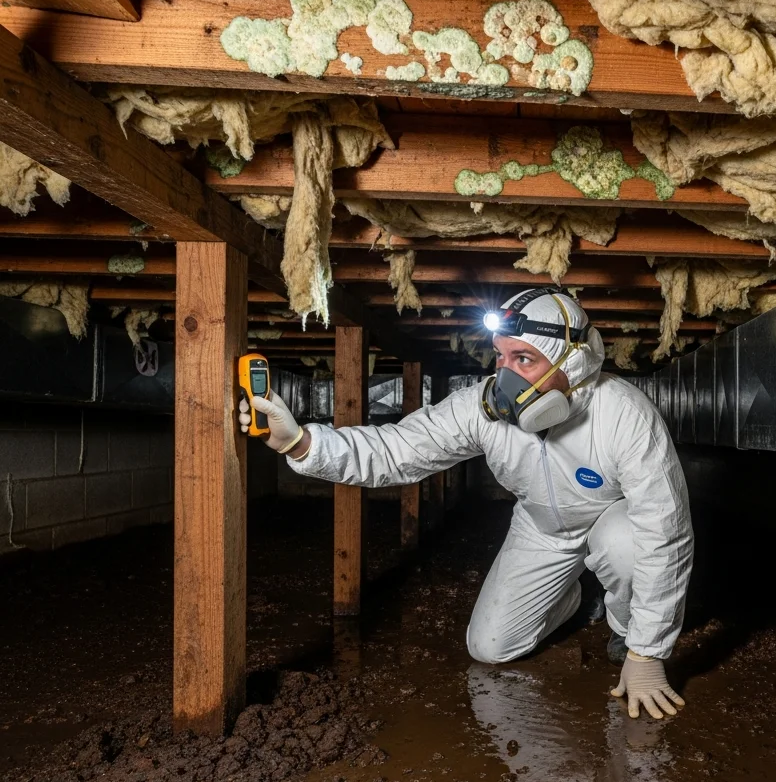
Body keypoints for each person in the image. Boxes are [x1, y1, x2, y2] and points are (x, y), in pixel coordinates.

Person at [238, 288, 694, 720]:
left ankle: (623, 626)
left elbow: (665, 532)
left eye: (524, 359)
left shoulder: (625, 416)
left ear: (571, 363)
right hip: (543, 529)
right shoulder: (482, 410)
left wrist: (647, 653)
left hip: (612, 521)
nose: (505, 374)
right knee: (490, 647)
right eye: (501, 355)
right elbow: (398, 450)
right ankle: (574, 596)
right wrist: (299, 443)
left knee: (626, 544)